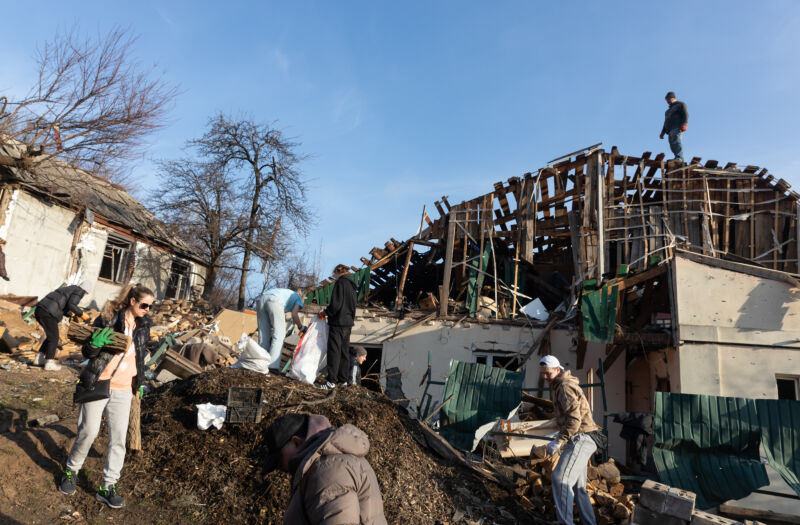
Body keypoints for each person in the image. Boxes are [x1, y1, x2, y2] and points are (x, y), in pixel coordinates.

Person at [58, 284, 154, 509]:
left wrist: (139, 382)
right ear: (132, 301)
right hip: (98, 382)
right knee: (88, 432)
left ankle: (107, 486)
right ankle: (71, 471)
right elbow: (87, 353)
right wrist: (94, 344)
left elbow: (140, 357)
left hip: (124, 388)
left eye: (150, 306)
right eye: (144, 305)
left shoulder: (144, 325)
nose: (148, 309)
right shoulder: (108, 318)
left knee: (118, 439)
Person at [263, 413, 387, 525]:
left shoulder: (328, 470)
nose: (279, 467)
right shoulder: (328, 464)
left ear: (296, 442)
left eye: (279, 459)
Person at [540, 355, 604, 525]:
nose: (544, 377)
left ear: (557, 370)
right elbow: (566, 417)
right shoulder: (559, 385)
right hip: (585, 437)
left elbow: (574, 420)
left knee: (560, 479)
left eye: (548, 373)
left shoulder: (564, 387)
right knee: (578, 487)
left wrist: (559, 440)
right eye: (543, 374)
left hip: (581, 438)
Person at [34, 280, 93, 371]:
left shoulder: (68, 289)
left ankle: (39, 358)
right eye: (86, 293)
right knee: (54, 338)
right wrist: (82, 314)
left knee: (51, 336)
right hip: (48, 312)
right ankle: (49, 362)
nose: (84, 295)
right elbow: (72, 304)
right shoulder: (79, 291)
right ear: (85, 290)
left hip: (41, 309)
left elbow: (64, 305)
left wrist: (72, 314)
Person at [319, 265, 357, 389]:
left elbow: (335, 305)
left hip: (338, 323)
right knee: (344, 352)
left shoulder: (340, 283)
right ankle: (343, 380)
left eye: (334, 273)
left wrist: (325, 313)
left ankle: (331, 381)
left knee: (334, 351)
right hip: (348, 323)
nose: (333, 276)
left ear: (337, 272)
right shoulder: (352, 285)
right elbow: (353, 307)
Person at [255, 288, 306, 371]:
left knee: (263, 333)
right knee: (280, 335)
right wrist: (301, 327)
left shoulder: (287, 293)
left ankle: (260, 363)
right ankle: (272, 366)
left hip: (261, 299)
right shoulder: (298, 299)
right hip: (274, 301)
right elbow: (294, 314)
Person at [659, 91, 689, 162]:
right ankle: (676, 157)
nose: (668, 101)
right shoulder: (667, 111)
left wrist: (684, 124)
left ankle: (680, 158)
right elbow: (665, 121)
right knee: (672, 144)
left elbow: (685, 114)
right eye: (667, 100)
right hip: (669, 130)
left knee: (676, 142)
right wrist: (662, 132)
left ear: (674, 98)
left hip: (677, 127)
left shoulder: (680, 104)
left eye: (669, 99)